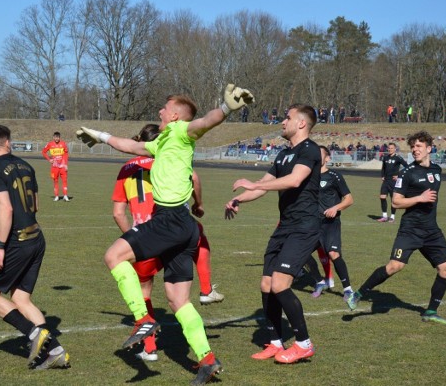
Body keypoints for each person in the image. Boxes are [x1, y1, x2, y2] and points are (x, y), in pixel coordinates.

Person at [77, 84, 254, 384]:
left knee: (113, 256)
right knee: (178, 301)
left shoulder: (183, 130)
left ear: (174, 115)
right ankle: (207, 360)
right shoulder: (161, 141)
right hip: (185, 227)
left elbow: (205, 122)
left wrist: (225, 109)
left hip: (170, 220)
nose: (159, 111)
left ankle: (143, 320)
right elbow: (130, 146)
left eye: (164, 107)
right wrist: (100, 136)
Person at [111, 124, 224, 362]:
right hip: (174, 232)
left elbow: (118, 213)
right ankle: (206, 350)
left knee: (144, 293)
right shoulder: (168, 159)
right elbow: (193, 176)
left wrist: (133, 239)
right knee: (183, 294)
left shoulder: (125, 169)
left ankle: (149, 347)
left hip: (147, 235)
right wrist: (199, 203)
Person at [224, 104, 320, 364]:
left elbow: (295, 181)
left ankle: (303, 344)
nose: (282, 121)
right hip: (284, 226)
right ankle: (276, 342)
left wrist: (254, 184)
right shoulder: (282, 155)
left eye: (287, 118)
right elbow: (264, 187)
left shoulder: (309, 150)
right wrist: (240, 200)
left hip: (304, 227)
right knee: (266, 284)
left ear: (301, 123)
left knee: (280, 284)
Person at [0, 125, 70, 370]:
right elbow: (34, 206)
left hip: (17, 241)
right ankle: (55, 352)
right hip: (37, 237)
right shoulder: (26, 165)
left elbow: (6, 208)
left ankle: (33, 334)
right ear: (8, 142)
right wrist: (4, 228)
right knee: (21, 298)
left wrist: (1, 246)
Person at [347, 131, 446, 325]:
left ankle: (430, 311)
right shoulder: (407, 172)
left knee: (445, 269)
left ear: (429, 149)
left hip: (431, 230)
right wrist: (419, 198)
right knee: (395, 266)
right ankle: (358, 293)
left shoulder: (437, 170)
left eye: (419, 147)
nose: (415, 150)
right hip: (410, 229)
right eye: (413, 147)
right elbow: (396, 202)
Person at [310, 145, 355, 300]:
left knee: (333, 254)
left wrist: (335, 208)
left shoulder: (335, 176)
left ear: (327, 158)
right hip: (312, 223)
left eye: (320, 154)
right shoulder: (308, 175)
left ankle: (348, 289)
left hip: (330, 223)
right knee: (298, 252)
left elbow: (349, 199)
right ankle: (319, 280)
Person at [378, 142, 408, 223]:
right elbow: (383, 168)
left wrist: (399, 175)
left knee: (393, 200)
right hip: (386, 181)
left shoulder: (398, 158)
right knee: (382, 197)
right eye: (389, 148)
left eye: (391, 148)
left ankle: (392, 216)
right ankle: (384, 216)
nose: (390, 149)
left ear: (395, 149)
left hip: (393, 181)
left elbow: (407, 167)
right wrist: (382, 176)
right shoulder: (385, 157)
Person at [41, 132, 69, 202]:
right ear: (53, 137)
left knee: (64, 181)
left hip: (62, 166)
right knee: (55, 181)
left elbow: (66, 153)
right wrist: (49, 159)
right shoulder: (50, 144)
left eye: (58, 137)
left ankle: (65, 196)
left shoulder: (63, 144)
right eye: (55, 137)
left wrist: (65, 164)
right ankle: (56, 196)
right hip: (54, 167)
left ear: (60, 137)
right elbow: (43, 152)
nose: (57, 139)